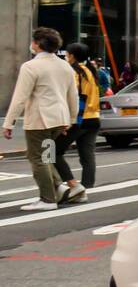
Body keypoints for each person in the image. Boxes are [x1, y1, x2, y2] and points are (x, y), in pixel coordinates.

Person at [2, 27, 78, 211]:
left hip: (39, 118)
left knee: (38, 159)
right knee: (47, 155)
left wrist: (9, 122)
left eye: (33, 41)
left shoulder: (31, 66)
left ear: (37, 44)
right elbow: (73, 95)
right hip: (60, 118)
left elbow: (20, 97)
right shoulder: (64, 65)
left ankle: (47, 199)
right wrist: (71, 119)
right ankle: (58, 188)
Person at [52, 41, 101, 203]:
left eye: (67, 55)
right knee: (87, 156)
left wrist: (67, 122)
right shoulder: (91, 71)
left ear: (72, 56)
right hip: (94, 118)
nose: (66, 57)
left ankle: (74, 186)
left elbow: (73, 98)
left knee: (53, 152)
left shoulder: (74, 72)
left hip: (79, 119)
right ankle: (87, 188)